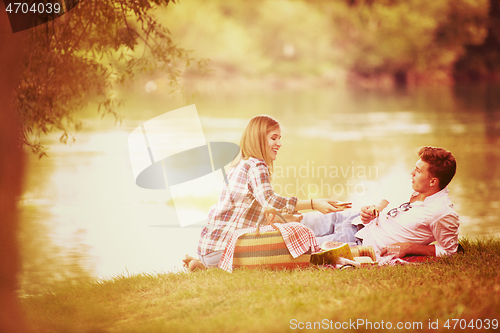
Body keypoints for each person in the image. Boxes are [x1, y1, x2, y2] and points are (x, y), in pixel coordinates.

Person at [183, 115, 348, 271]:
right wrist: (313, 204)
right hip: (226, 249)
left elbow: (255, 211)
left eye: (280, 138)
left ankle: (205, 265)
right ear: (259, 139)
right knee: (297, 240)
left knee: (287, 229)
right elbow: (270, 201)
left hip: (209, 248)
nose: (279, 143)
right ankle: (211, 266)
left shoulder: (240, 164)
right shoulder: (256, 165)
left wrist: (287, 216)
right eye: (274, 138)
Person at [301, 146, 459, 259]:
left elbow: (449, 250)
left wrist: (410, 247)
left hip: (358, 241)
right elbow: (385, 202)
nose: (412, 172)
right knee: (298, 220)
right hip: (354, 219)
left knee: (295, 246)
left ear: (433, 181)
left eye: (418, 171)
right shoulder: (415, 187)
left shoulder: (442, 213)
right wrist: (373, 210)